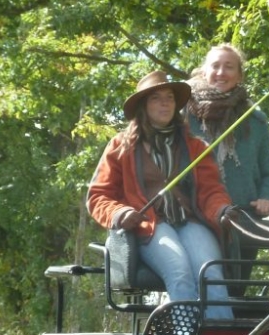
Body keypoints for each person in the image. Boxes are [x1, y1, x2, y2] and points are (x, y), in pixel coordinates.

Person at [87, 70, 237, 320]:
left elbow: (212, 192)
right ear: (143, 107)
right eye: (156, 98)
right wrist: (120, 213)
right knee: (179, 272)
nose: (165, 103)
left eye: (169, 97)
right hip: (151, 227)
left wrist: (222, 210)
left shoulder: (195, 146)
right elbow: (98, 196)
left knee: (211, 274)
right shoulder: (119, 146)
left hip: (191, 223)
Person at [186, 45, 269, 293]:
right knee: (200, 285)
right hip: (195, 218)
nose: (221, 72)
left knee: (235, 291)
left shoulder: (255, 121)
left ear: (239, 75)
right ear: (204, 71)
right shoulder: (184, 117)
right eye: (215, 66)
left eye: (229, 67)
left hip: (242, 221)